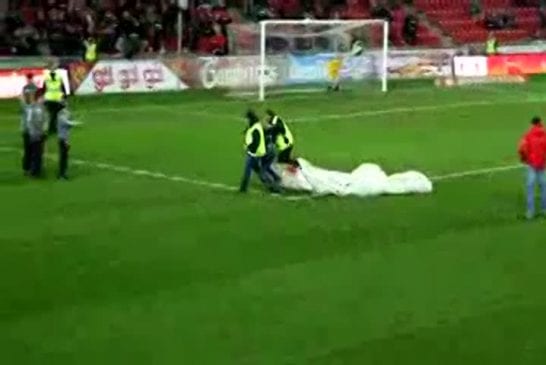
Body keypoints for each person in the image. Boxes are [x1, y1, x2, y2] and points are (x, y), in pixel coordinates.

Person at [239, 109, 281, 193]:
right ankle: (275, 182)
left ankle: (274, 187)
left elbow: (256, 141)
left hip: (256, 153)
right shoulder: (257, 125)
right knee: (260, 170)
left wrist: (249, 148)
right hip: (261, 152)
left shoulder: (255, 128)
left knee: (250, 170)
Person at [518, 116, 546, 219]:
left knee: (530, 187)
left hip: (532, 164)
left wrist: (524, 158)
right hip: (542, 165)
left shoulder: (528, 135)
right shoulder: (544, 134)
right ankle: (544, 209)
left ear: (532, 124)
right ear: (540, 123)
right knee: (544, 187)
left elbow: (522, 148)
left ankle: (530, 212)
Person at [25, 91, 46, 178]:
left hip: (40, 133)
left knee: (39, 153)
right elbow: (29, 121)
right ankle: (34, 171)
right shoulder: (32, 108)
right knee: (35, 153)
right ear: (39, 98)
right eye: (42, 98)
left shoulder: (42, 108)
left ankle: (36, 170)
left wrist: (43, 130)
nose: (44, 100)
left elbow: (43, 120)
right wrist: (32, 132)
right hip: (34, 134)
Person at [20, 73, 38, 175]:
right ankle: (27, 168)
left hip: (32, 129)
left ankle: (31, 168)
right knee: (28, 149)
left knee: (32, 149)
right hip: (28, 129)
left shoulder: (33, 88)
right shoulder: (26, 90)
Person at [57, 105, 80, 180]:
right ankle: (62, 174)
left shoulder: (62, 115)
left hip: (65, 139)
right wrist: (77, 123)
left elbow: (69, 120)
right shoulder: (61, 117)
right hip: (63, 139)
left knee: (65, 157)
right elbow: (68, 123)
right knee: (63, 157)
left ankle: (64, 173)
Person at [42, 67, 67, 135]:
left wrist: (42, 97)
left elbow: (43, 88)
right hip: (57, 98)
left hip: (49, 98)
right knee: (55, 114)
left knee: (51, 114)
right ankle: (53, 128)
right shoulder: (59, 77)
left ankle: (52, 128)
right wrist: (64, 97)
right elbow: (62, 87)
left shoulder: (47, 78)